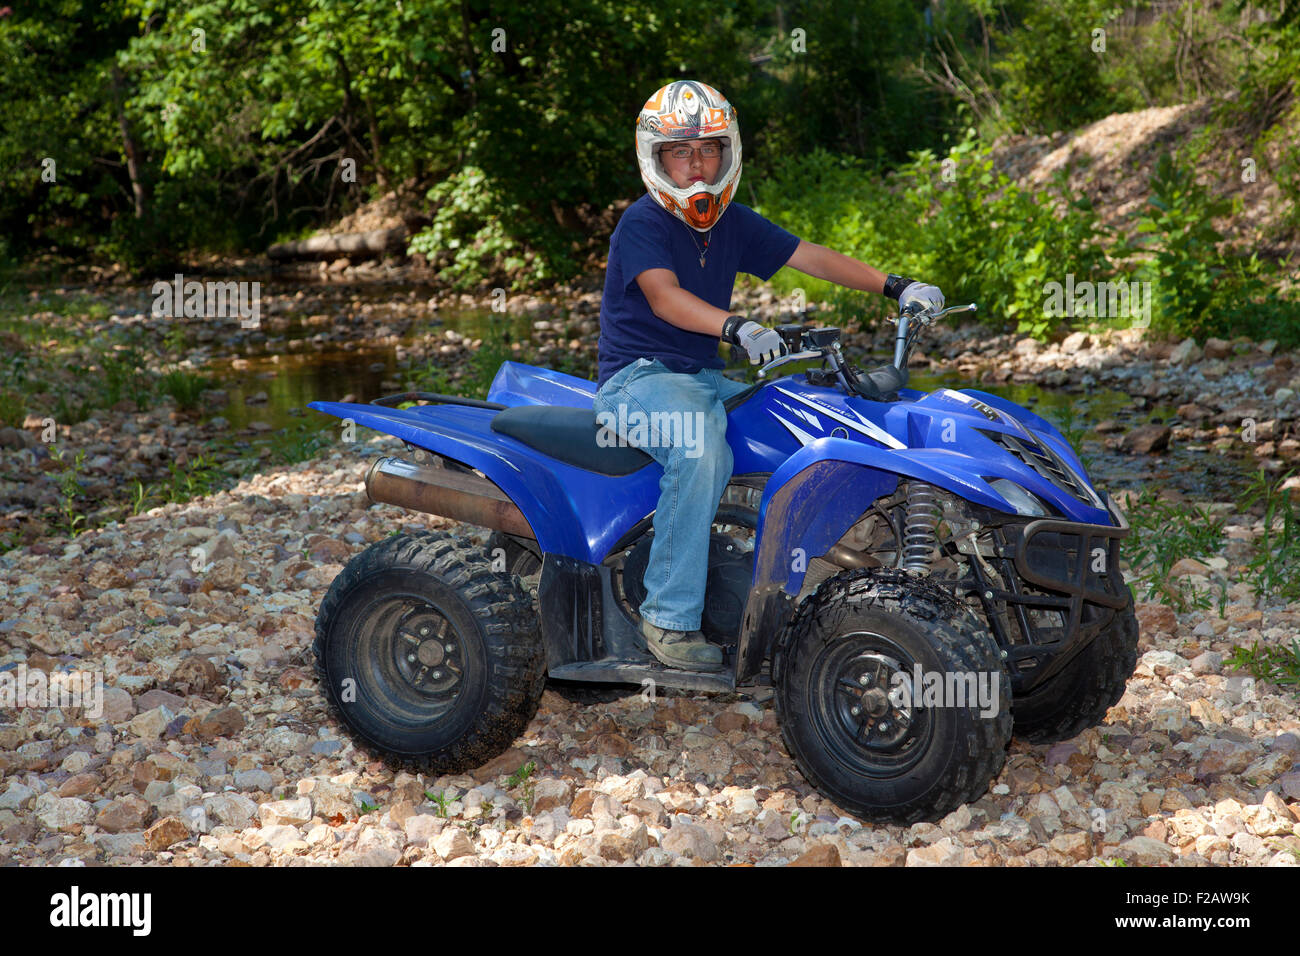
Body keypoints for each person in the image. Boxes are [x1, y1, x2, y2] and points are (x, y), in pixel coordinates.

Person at [594, 79, 945, 671]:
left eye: (708, 149)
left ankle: (825, 576)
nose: (696, 165)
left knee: (811, 419)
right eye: (680, 152)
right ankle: (668, 618)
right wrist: (737, 327)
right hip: (638, 378)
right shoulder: (642, 222)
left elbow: (810, 256)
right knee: (699, 450)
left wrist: (896, 285)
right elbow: (665, 298)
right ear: (655, 158)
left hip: (705, 376)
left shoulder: (731, 221)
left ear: (727, 152)